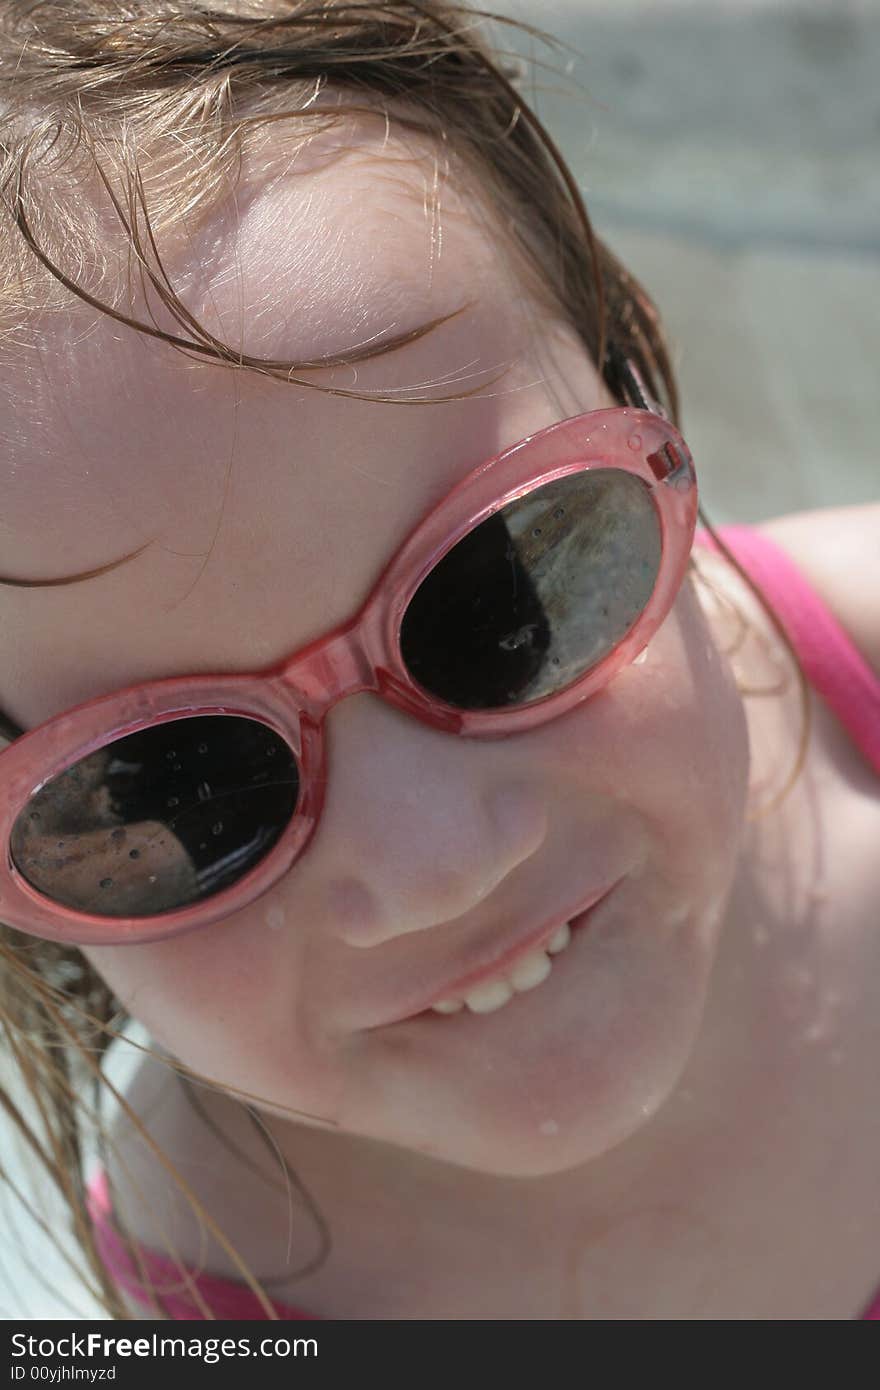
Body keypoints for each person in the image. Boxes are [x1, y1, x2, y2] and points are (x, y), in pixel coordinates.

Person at [0, 1, 878, 1322]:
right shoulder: (225, 1273)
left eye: (501, 590)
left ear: (635, 380)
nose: (433, 866)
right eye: (173, 787)